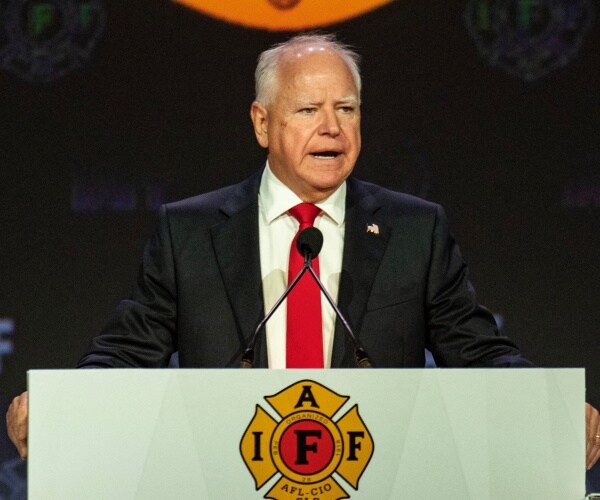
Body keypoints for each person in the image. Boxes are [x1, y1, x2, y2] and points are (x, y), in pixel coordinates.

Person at [6, 33, 600, 469]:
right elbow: (129, 352)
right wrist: (63, 404)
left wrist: (545, 406)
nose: (332, 128)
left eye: (346, 109)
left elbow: (476, 351)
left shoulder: (414, 229)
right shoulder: (189, 232)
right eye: (309, 110)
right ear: (263, 123)